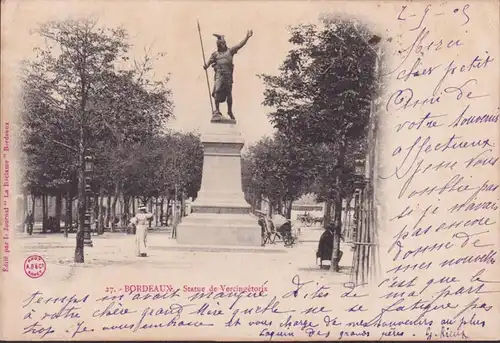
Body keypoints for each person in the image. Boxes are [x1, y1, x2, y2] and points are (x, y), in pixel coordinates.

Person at [204, 30, 253, 119]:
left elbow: (240, 45)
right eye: (219, 44)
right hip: (219, 74)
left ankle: (229, 111)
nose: (221, 45)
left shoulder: (230, 51)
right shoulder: (215, 54)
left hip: (228, 76)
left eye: (222, 44)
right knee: (216, 91)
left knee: (228, 94)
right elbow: (209, 61)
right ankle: (217, 110)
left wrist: (247, 37)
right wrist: (206, 66)